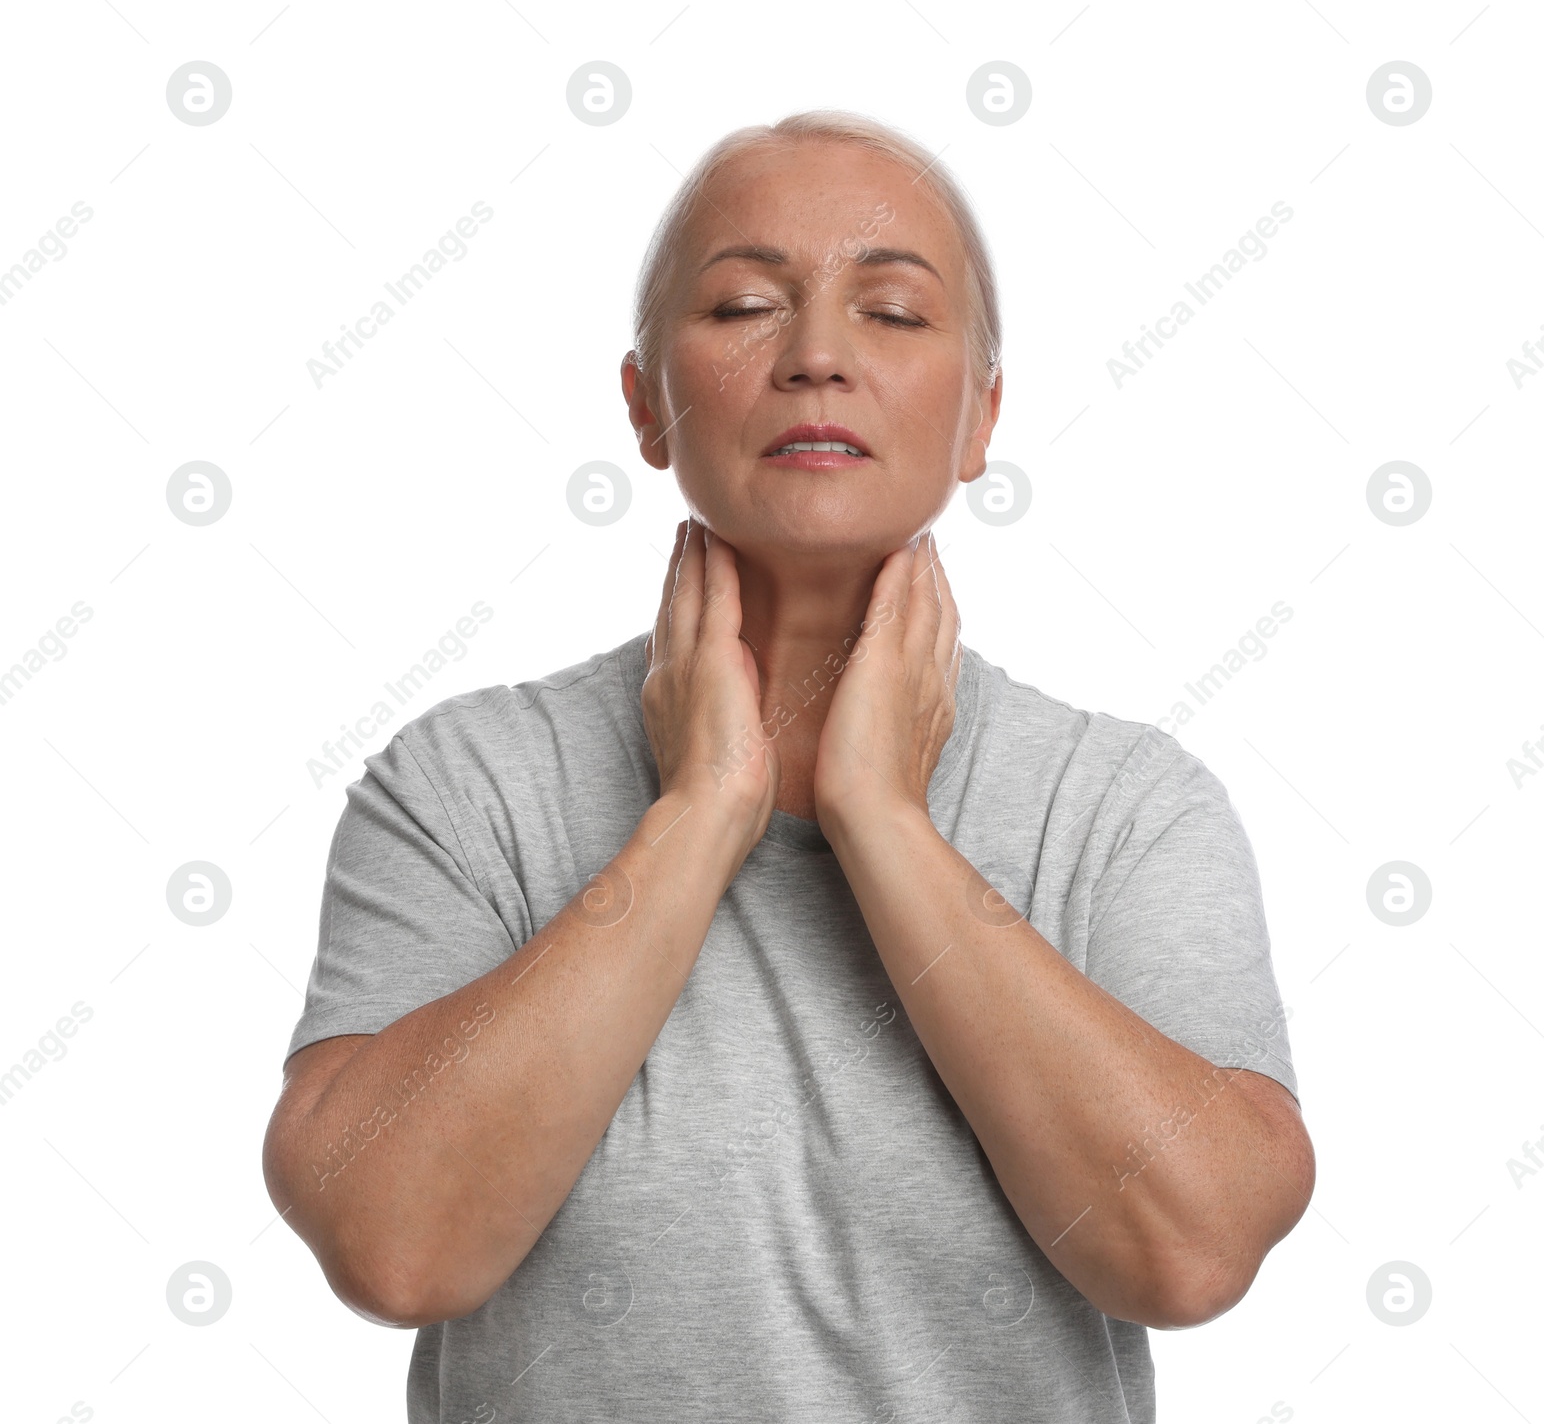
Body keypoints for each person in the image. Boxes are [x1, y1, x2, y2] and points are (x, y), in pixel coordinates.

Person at [263, 108, 1314, 1424]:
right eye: (748, 303)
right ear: (646, 404)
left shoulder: (1125, 811)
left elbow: (1191, 1250)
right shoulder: (466, 786)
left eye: (892, 311)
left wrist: (884, 820)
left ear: (981, 417)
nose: (817, 357)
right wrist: (700, 813)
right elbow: (395, 1244)